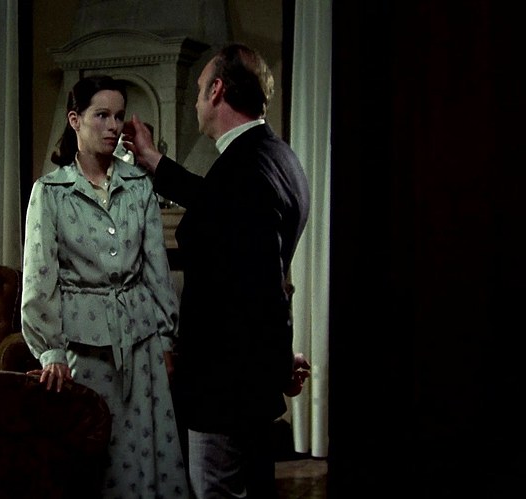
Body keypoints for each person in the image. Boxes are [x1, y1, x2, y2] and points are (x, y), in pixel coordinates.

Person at [121, 43, 312, 498]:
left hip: (223, 389)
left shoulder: (243, 170)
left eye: (200, 89)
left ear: (217, 90)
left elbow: (265, 285)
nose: (194, 102)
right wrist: (154, 161)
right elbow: (221, 205)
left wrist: (278, 361)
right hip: (249, 385)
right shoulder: (274, 157)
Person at [20, 74, 190, 498]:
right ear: (75, 120)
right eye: (101, 115)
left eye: (118, 116)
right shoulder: (50, 192)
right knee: (94, 461)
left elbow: (156, 268)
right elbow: (39, 277)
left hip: (142, 344)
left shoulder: (138, 186)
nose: (113, 126)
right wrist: (50, 350)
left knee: (146, 461)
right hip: (83, 348)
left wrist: (165, 338)